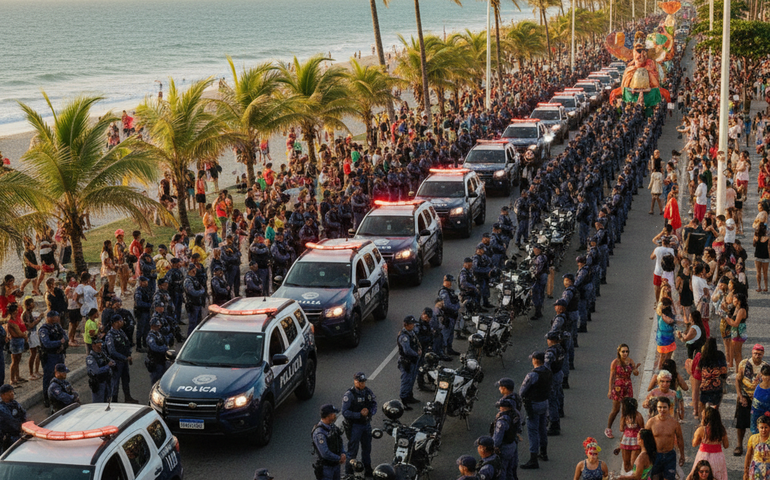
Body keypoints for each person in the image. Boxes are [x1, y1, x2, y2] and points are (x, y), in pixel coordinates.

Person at [520, 351, 552, 469]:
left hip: (534, 405)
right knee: (542, 428)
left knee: (533, 431)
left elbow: (522, 391)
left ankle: (533, 459)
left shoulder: (532, 375)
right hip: (544, 403)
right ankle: (544, 452)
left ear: (534, 361)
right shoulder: (548, 371)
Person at [341, 372, 376, 477]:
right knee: (352, 451)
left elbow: (374, 404)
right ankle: (349, 472)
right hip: (355, 426)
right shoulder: (349, 395)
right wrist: (359, 415)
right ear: (355, 381)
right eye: (360, 382)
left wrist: (369, 412)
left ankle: (368, 469)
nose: (362, 384)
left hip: (366, 424)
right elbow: (345, 412)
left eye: (363, 382)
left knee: (367, 448)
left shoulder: (367, 392)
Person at [737, 345, 769, 456]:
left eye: (759, 354)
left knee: (762, 425)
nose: (757, 356)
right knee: (741, 423)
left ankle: (759, 447)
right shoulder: (743, 364)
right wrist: (740, 396)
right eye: (755, 353)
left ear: (763, 354)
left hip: (760, 399)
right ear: (752, 353)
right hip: (746, 396)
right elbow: (738, 380)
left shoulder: (765, 367)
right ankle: (739, 445)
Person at [645, 397, 685, 479]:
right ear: (657, 407)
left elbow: (680, 439)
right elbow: (644, 439)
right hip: (655, 455)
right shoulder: (651, 422)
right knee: (655, 478)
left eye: (664, 407)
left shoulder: (674, 423)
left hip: (669, 455)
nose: (662, 410)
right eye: (660, 407)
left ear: (669, 408)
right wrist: (644, 455)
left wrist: (682, 455)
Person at [606, 344, 641, 439]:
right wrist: (610, 390)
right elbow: (612, 377)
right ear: (619, 352)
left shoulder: (630, 361)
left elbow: (635, 373)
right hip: (618, 387)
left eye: (626, 351)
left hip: (627, 387)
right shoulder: (615, 362)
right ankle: (608, 428)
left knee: (626, 409)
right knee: (615, 409)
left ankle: (624, 430)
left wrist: (636, 370)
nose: (625, 353)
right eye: (623, 351)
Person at [105, 315, 138, 403]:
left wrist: (129, 354)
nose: (122, 322)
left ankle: (128, 397)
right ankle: (114, 401)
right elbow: (112, 351)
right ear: (115, 323)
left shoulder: (121, 332)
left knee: (126, 380)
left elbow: (127, 343)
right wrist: (124, 357)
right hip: (117, 362)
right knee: (115, 383)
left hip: (124, 361)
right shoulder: (110, 335)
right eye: (120, 321)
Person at [38, 309, 68, 408]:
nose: (58, 318)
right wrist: (59, 342)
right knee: (49, 377)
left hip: (59, 354)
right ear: (49, 318)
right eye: (55, 316)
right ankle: (47, 398)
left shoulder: (57, 326)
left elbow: (65, 335)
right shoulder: (44, 329)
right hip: (50, 356)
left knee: (61, 375)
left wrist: (63, 343)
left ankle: (60, 395)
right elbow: (47, 343)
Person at [690, 406, 729, 480]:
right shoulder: (721, 430)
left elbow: (694, 444)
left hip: (703, 456)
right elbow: (726, 445)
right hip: (718, 457)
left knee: (701, 475)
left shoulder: (701, 430)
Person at [312, 404, 346, 480]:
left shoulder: (332, 427)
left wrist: (343, 453)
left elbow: (339, 440)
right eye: (333, 414)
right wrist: (339, 458)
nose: (335, 415)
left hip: (336, 465)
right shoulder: (319, 433)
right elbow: (325, 453)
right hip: (326, 468)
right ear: (329, 416)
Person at [491, 397, 520, 480]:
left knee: (502, 471)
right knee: (510, 470)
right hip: (513, 444)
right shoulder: (515, 414)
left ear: (503, 407)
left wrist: (493, 448)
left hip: (504, 447)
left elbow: (497, 439)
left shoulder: (502, 421)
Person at [397, 316, 421, 410]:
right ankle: (403, 400)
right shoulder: (404, 336)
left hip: (413, 360)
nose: (414, 325)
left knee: (412, 379)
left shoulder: (411, 332)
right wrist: (416, 354)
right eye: (412, 324)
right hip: (407, 361)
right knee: (406, 380)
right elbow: (407, 350)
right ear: (406, 325)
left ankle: (409, 396)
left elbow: (415, 342)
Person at [698, 338, 729, 408]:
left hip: (705, 385)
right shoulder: (720, 355)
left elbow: (699, 368)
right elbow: (724, 369)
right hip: (716, 385)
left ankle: (703, 415)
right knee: (716, 403)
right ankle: (714, 414)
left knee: (703, 402)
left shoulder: (703, 356)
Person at [0, 384, 26, 453]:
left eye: (12, 392)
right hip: (8, 436)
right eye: (9, 392)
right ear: (2, 395)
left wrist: (26, 423)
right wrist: (21, 427)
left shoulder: (14, 403)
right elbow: (10, 421)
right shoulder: (1, 408)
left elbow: (23, 413)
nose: (12, 394)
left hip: (18, 433)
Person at [86, 337, 113, 403]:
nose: (100, 347)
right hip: (98, 383)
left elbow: (109, 360)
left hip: (106, 381)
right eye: (99, 346)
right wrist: (107, 366)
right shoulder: (91, 358)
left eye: (101, 345)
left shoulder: (102, 354)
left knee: (107, 401)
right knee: (98, 403)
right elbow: (96, 371)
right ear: (93, 346)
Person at [744, 414, 770, 480]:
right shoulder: (753, 438)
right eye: (762, 427)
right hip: (755, 469)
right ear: (758, 427)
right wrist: (746, 472)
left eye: (766, 427)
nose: (763, 430)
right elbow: (748, 455)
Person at [145, 317, 169, 384]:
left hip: (162, 360)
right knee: (156, 381)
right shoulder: (150, 336)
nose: (159, 327)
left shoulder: (159, 334)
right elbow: (154, 348)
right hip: (155, 362)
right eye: (157, 325)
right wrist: (164, 348)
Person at [751, 365, 770, 437]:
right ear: (761, 374)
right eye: (765, 375)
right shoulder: (757, 386)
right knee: (756, 436)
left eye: (768, 375)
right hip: (756, 416)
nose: (766, 378)